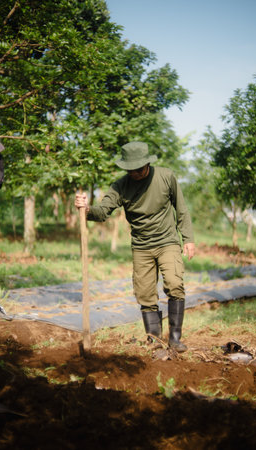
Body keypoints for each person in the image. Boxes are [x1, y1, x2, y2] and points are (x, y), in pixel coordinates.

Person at [75, 141, 195, 352]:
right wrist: (86, 209)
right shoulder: (120, 186)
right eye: (131, 170)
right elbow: (103, 211)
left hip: (167, 241)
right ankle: (154, 340)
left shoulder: (166, 177)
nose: (136, 173)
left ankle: (175, 339)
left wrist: (188, 239)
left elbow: (181, 209)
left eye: (139, 169)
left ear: (147, 164)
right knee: (145, 294)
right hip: (141, 246)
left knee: (175, 284)